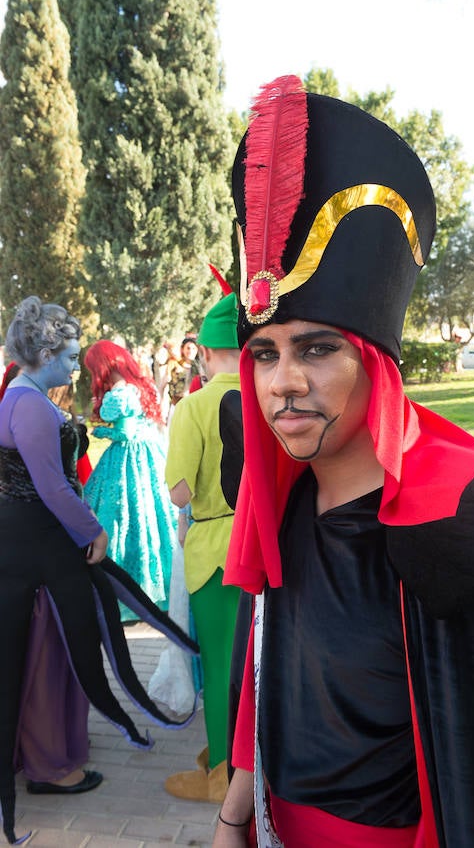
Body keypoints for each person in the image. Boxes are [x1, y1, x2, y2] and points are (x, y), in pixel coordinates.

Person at [213, 76, 474, 847]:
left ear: (375, 366)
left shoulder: (453, 526)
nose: (282, 382)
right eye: (264, 354)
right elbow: (264, 672)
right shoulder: (279, 501)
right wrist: (232, 817)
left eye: (315, 350)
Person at [0, 297, 199, 846]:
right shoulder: (30, 404)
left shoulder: (22, 395)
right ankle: (51, 765)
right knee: (51, 653)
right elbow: (52, 485)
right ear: (43, 354)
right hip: (41, 545)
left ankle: (39, 754)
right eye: (68, 357)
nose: (74, 367)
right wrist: (94, 531)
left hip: (30, 542)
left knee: (41, 649)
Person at [163, 292, 242, 804]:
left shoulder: (193, 406)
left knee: (219, 668)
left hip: (214, 552)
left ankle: (222, 777)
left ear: (207, 353)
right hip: (267, 545)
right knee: (258, 664)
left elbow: (179, 493)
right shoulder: (270, 395)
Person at [84, 340, 178, 620]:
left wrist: (102, 433)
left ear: (102, 367)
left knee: (122, 516)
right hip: (150, 455)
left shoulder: (120, 393)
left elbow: (125, 433)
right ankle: (159, 590)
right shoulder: (139, 386)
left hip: (128, 458)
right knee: (152, 517)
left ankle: (125, 594)